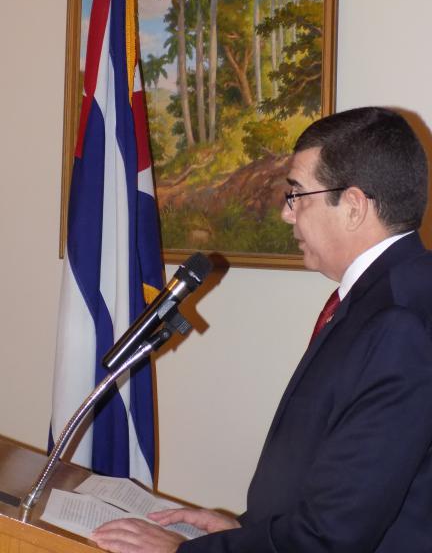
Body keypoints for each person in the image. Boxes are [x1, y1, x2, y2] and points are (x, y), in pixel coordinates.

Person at [91, 106, 432, 553]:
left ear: (353, 206)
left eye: (298, 195)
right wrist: (243, 529)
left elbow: (334, 535)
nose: (288, 214)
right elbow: (340, 476)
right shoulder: (387, 295)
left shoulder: (399, 321)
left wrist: (181, 551)